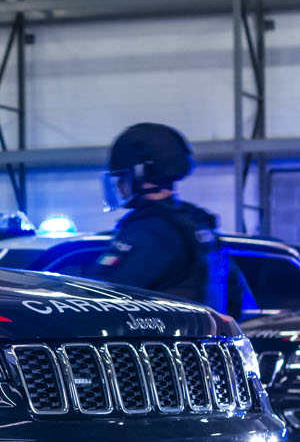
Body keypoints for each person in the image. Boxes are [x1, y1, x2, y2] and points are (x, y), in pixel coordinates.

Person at [93, 123, 219, 306]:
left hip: (158, 333)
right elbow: (234, 296)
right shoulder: (196, 223)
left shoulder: (150, 229)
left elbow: (103, 294)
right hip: (198, 332)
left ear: (140, 174)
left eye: (122, 178)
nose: (119, 186)